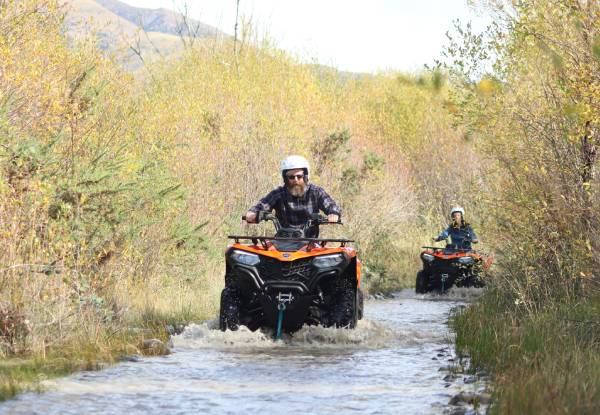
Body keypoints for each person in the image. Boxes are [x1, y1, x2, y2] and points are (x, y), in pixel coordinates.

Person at [244, 155, 341, 237]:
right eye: (291, 177)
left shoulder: (316, 192)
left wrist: (333, 214)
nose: (295, 180)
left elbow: (331, 205)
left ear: (306, 176)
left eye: (299, 176)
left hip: (310, 245)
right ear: (285, 179)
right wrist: (253, 214)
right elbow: (262, 206)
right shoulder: (278, 194)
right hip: (282, 243)